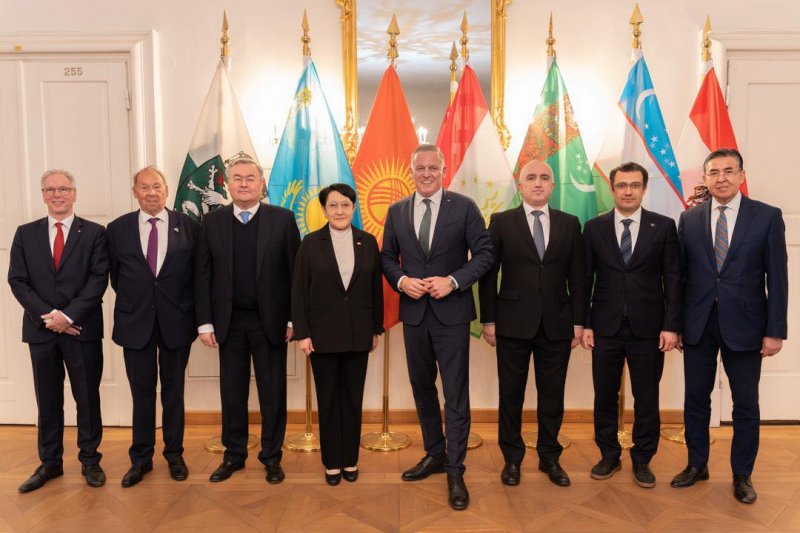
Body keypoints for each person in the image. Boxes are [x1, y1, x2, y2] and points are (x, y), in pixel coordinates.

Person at [381, 143, 494, 511]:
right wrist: (402, 282)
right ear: (411, 171)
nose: (426, 173)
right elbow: (386, 257)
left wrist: (454, 280)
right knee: (422, 387)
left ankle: (455, 470)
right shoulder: (396, 211)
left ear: (443, 171)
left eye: (433, 168)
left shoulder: (464, 207)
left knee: (455, 392)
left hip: (452, 314)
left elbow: (485, 254)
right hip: (414, 315)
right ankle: (434, 452)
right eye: (420, 168)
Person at [672, 148, 788, 504]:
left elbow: (777, 278)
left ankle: (742, 474)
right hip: (698, 324)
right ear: (705, 178)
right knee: (695, 398)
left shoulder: (767, 217)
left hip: (747, 326)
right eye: (713, 172)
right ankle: (697, 464)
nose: (721, 177)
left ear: (741, 175)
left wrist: (775, 330)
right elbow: (680, 278)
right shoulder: (689, 219)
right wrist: (676, 324)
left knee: (746, 403)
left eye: (728, 170)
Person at [479, 160, 586, 488]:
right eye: (531, 178)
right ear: (520, 185)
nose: (538, 183)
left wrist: (579, 321)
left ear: (552, 186)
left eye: (544, 178)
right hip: (511, 323)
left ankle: (549, 457)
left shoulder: (570, 224)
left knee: (552, 395)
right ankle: (512, 459)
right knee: (511, 394)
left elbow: (579, 277)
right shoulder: (501, 222)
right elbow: (488, 274)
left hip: (558, 323)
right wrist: (488, 318)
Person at [195, 155, 300, 483]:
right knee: (232, 393)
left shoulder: (282, 220)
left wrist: (293, 320)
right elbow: (203, 275)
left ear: (261, 183)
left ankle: (272, 457)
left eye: (250, 178)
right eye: (237, 178)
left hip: (271, 322)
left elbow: (295, 274)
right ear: (227, 183)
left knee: (273, 393)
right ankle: (234, 455)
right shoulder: (211, 222)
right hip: (228, 323)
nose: (243, 183)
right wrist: (205, 322)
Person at [8, 169, 109, 492]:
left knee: (87, 398)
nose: (57, 194)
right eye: (50, 189)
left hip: (82, 329)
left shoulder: (94, 233)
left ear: (74, 193)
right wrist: (49, 317)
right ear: (43, 195)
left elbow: (99, 279)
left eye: (63, 189)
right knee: (48, 399)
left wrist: (68, 316)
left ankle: (90, 460)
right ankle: (50, 462)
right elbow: (17, 281)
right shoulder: (25, 234)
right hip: (41, 331)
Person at [581, 161, 680, 488]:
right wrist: (585, 323)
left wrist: (671, 325)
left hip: (649, 329)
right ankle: (608, 454)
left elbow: (673, 279)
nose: (628, 191)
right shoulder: (594, 228)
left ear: (643, 189)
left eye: (634, 185)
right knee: (604, 396)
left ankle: (642, 459)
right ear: (612, 189)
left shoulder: (663, 227)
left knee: (647, 397)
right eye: (622, 185)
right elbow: (584, 280)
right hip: (604, 327)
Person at [106, 167, 199, 487]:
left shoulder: (189, 226)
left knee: (174, 393)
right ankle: (141, 459)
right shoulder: (117, 229)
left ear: (167, 189)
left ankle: (174, 454)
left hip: (177, 322)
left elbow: (196, 276)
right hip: (135, 323)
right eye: (144, 187)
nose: (151, 193)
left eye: (157, 186)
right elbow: (116, 276)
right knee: (141, 393)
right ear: (135, 192)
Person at [292, 183, 383, 486]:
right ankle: (332, 462)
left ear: (354, 208)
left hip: (359, 333)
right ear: (324, 210)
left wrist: (376, 328)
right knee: (329, 400)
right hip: (321, 336)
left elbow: (375, 288)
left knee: (353, 399)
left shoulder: (367, 241)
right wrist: (303, 333)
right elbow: (299, 291)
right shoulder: (310, 243)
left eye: (345, 205)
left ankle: (350, 460)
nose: (339, 211)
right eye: (333, 205)